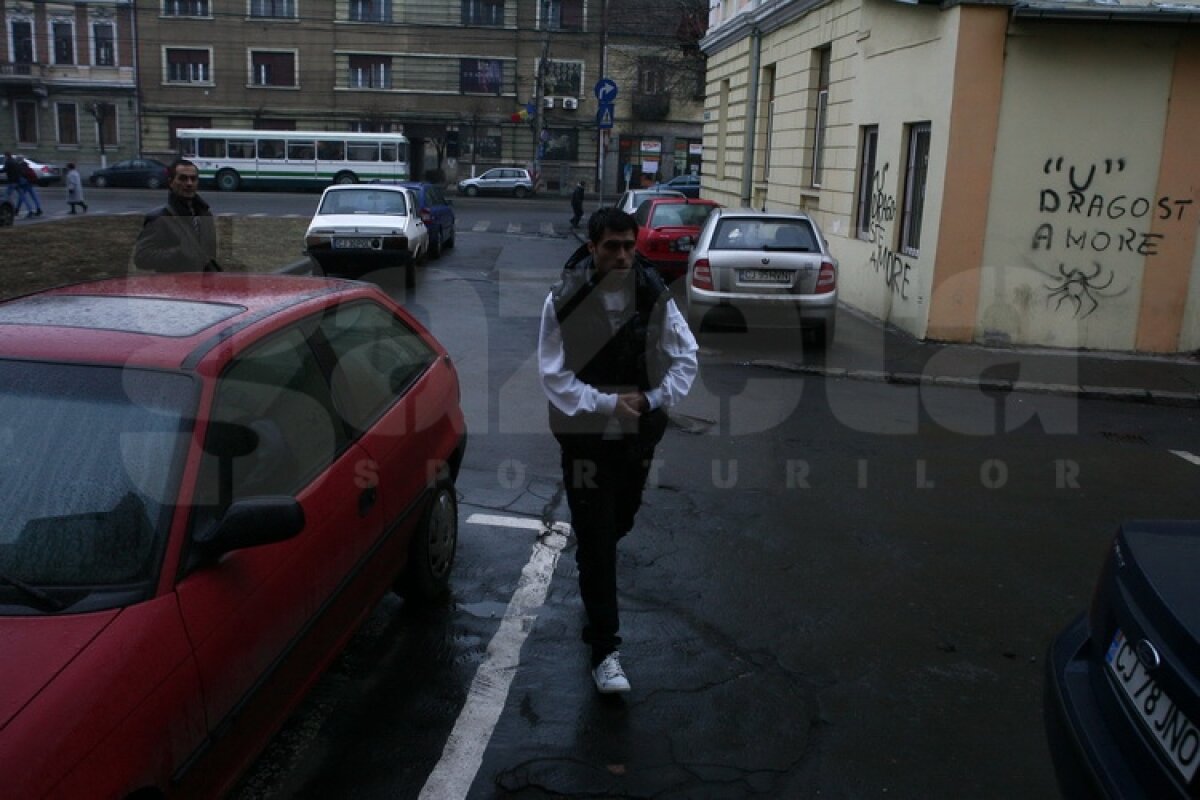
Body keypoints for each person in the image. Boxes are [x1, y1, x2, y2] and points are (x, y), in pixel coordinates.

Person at [537, 207, 699, 694]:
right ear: (593, 247)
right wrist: (608, 404)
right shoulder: (564, 298)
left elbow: (685, 356)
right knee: (599, 538)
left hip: (637, 437)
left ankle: (592, 562)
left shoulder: (653, 293)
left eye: (630, 245)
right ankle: (605, 650)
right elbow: (554, 376)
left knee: (620, 520)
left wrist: (650, 400)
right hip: (585, 439)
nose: (624, 255)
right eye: (613, 246)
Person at [133, 158, 221, 272]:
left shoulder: (205, 215)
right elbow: (141, 257)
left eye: (193, 179)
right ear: (171, 182)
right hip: (173, 286)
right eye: (183, 178)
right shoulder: (160, 218)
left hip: (201, 286)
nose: (189, 183)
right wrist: (178, 253)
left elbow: (209, 253)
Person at [4, 153, 42, 218]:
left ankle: (19, 210)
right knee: (33, 196)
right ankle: (38, 208)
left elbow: (19, 175)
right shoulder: (26, 164)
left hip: (23, 183)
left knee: (22, 197)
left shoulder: (19, 166)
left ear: (18, 160)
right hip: (29, 182)